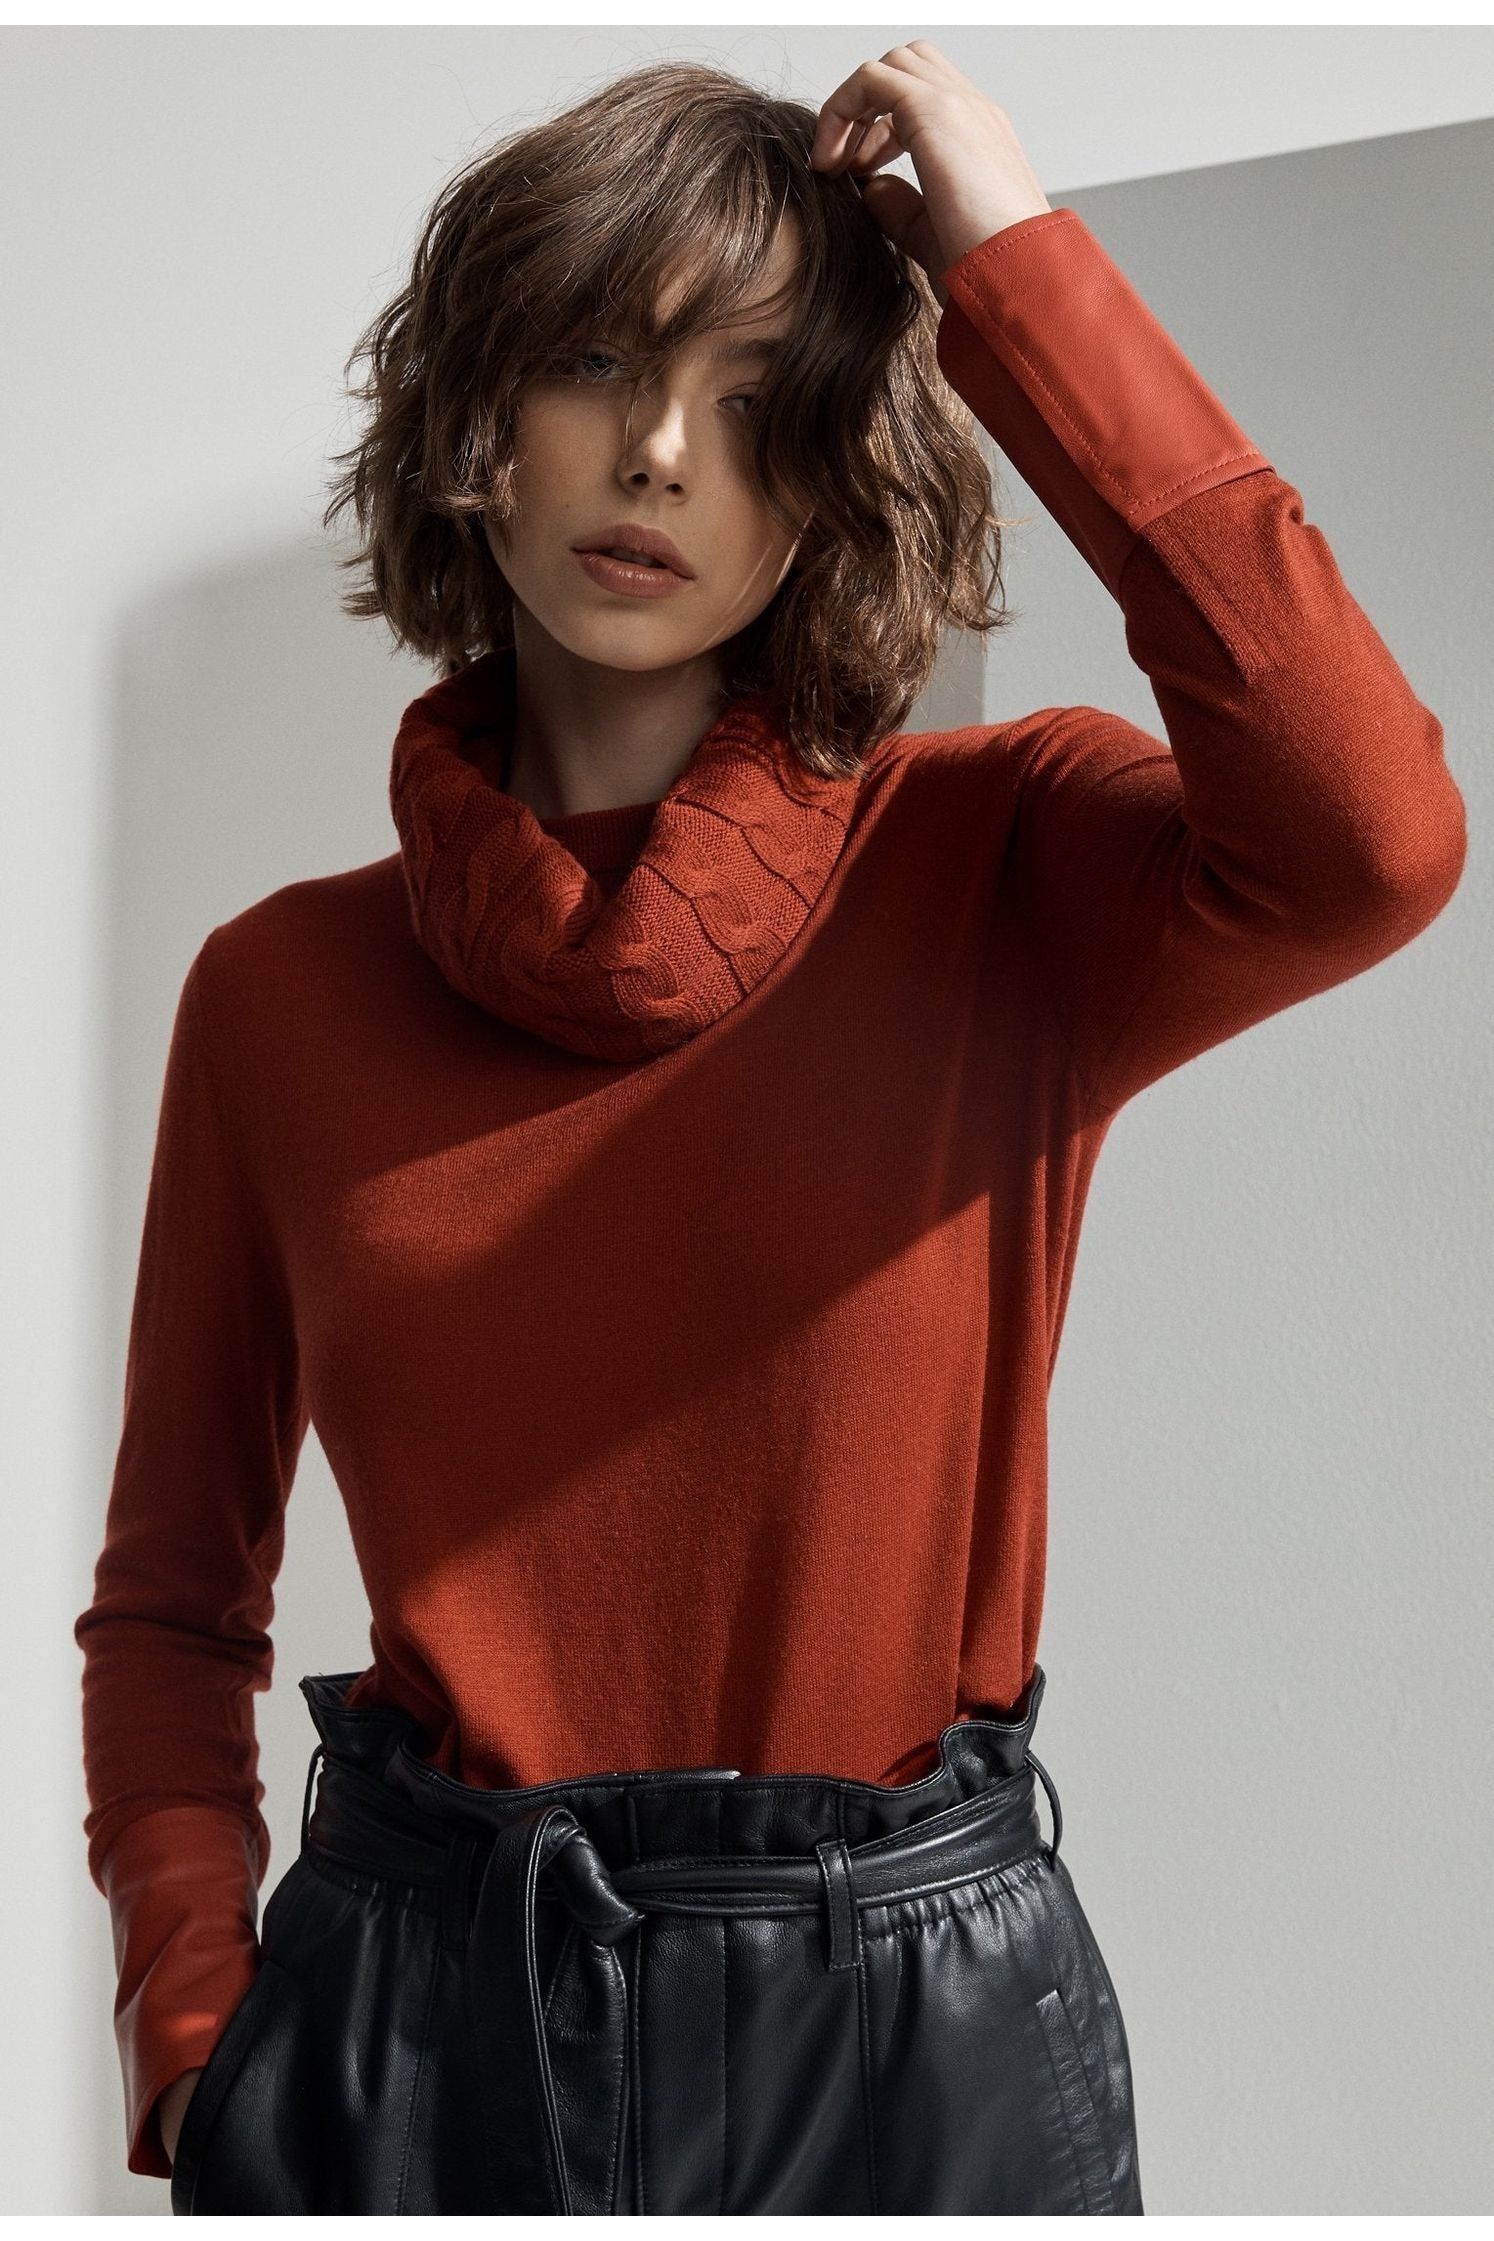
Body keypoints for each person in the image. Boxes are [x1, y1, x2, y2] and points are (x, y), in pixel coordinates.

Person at [74, 45, 1466, 2216]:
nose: (657, 451)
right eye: (597, 362)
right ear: (474, 412)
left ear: (829, 476)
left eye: (752, 399)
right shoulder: (277, 995)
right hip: (422, 2030)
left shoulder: (1002, 865)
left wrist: (1014, 266)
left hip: (915, 2042)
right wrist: (194, 2042)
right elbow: (174, 1598)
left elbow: (1372, 835)